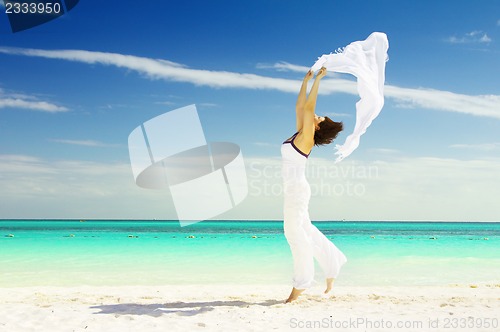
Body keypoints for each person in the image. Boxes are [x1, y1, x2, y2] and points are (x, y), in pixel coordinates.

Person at [282, 67, 347, 303]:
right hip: (295, 189)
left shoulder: (307, 137)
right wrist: (305, 81)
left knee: (295, 234)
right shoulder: (300, 132)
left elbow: (308, 109)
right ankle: (333, 265)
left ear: (317, 127)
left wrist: (318, 80)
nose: (316, 116)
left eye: (319, 118)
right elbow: (301, 107)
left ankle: (301, 285)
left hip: (297, 190)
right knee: (305, 231)